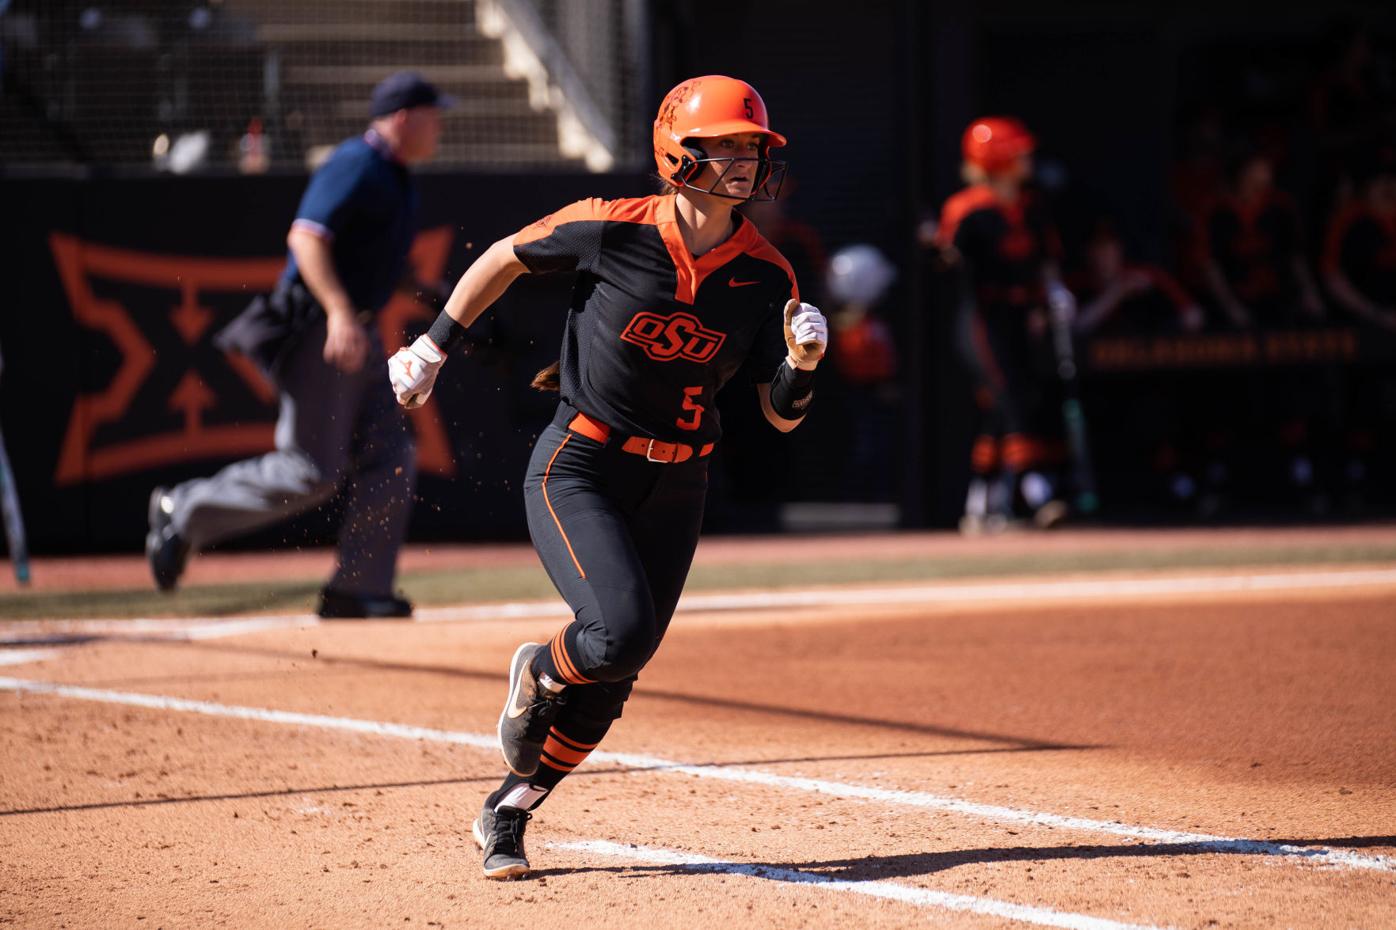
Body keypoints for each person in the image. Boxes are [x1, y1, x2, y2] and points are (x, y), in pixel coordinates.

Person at [386, 75, 828, 879]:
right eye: (726, 145)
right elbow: (503, 258)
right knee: (613, 635)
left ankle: (508, 811)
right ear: (678, 153)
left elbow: (781, 414)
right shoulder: (611, 228)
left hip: (680, 481)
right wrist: (433, 346)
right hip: (581, 462)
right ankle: (540, 669)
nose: (744, 163)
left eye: (752, 148)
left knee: (619, 669)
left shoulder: (769, 275)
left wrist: (801, 364)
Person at [144, 71, 454, 618]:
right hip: (321, 329)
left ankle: (358, 588)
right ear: (404, 117)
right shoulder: (354, 162)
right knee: (310, 471)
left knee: (392, 455)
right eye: (434, 113)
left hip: (358, 331)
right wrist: (337, 312)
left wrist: (438, 299)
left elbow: (380, 262)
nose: (441, 124)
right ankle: (182, 509)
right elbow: (306, 239)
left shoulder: (396, 175)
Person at [934, 116, 1075, 533]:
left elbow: (1045, 259)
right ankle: (1037, 492)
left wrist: (1053, 292)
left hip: (1021, 317)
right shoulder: (967, 210)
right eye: (1019, 152)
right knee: (1011, 394)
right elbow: (948, 259)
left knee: (1002, 406)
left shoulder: (1030, 206)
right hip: (981, 319)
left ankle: (981, 504)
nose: (1027, 159)